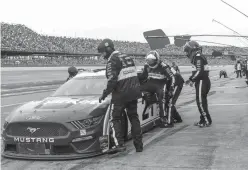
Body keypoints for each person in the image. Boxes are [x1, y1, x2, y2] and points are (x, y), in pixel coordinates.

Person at [97, 38, 143, 153]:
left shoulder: (112, 60)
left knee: (114, 118)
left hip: (121, 94)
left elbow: (112, 79)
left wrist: (104, 93)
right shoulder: (127, 56)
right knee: (134, 118)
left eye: (103, 52)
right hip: (134, 92)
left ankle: (119, 144)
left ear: (108, 49)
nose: (102, 55)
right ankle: (139, 145)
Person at [139, 50, 176, 128]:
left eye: (152, 60)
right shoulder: (146, 65)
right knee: (137, 89)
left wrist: (171, 89)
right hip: (150, 82)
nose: (150, 62)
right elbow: (143, 76)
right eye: (148, 60)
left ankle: (163, 118)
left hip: (161, 83)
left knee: (162, 98)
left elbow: (172, 77)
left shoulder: (164, 66)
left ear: (157, 60)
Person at [183, 41, 212, 127]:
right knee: (202, 102)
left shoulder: (198, 56)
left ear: (191, 50)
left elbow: (199, 71)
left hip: (202, 82)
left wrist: (191, 79)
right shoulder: (198, 56)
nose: (187, 53)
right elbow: (198, 71)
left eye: (187, 51)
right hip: (202, 81)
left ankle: (206, 121)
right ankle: (203, 120)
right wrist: (193, 80)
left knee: (200, 102)